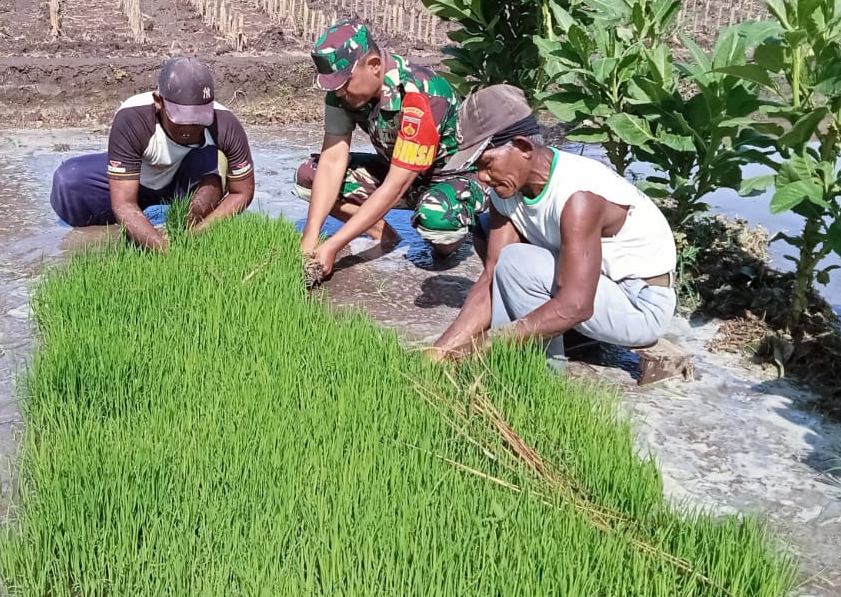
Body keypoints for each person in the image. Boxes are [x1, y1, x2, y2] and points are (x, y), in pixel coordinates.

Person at [428, 84, 677, 362]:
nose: (483, 177)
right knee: (488, 235)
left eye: (487, 163)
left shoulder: (578, 196)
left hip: (638, 302)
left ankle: (542, 370)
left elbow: (576, 305)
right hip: (598, 288)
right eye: (476, 169)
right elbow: (491, 277)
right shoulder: (506, 190)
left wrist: (483, 346)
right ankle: (542, 347)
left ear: (522, 147)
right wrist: (440, 352)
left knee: (517, 263)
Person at [296, 19, 483, 277]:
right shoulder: (342, 92)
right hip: (398, 170)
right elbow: (331, 161)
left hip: (449, 178)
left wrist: (333, 246)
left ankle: (456, 235)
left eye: (344, 83)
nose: (338, 94)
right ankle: (383, 234)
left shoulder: (421, 94)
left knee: (437, 224)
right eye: (334, 86)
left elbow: (396, 186)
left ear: (373, 65)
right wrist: (311, 235)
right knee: (310, 174)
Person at [49, 56, 255, 252]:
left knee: (208, 161)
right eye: (181, 119)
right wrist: (163, 248)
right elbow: (124, 202)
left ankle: (186, 221)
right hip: (138, 179)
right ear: (159, 101)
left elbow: (242, 192)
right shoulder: (132, 117)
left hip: (186, 182)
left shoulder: (226, 124)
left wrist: (197, 235)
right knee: (69, 181)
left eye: (199, 119)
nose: (191, 128)